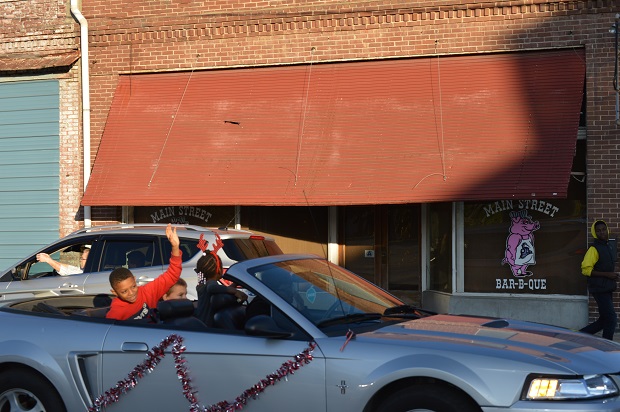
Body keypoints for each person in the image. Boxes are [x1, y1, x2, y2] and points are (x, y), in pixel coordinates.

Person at [106, 224, 182, 321]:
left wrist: (175, 247)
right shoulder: (116, 312)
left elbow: (173, 274)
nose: (131, 293)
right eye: (124, 291)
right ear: (115, 292)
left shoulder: (148, 292)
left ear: (134, 279)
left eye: (133, 286)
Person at [579, 220, 620, 340]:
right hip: (599, 288)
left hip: (607, 287)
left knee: (604, 320)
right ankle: (607, 348)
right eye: (598, 230)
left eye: (603, 229)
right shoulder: (593, 249)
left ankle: (577, 336)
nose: (602, 232)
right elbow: (585, 270)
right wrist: (607, 274)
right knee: (611, 319)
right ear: (595, 233)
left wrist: (611, 275)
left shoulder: (607, 245)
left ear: (607, 230)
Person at [194, 249, 247, 326]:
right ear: (219, 269)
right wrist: (235, 292)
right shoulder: (211, 283)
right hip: (209, 326)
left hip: (202, 323)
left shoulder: (202, 285)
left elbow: (220, 289)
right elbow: (212, 288)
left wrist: (235, 284)